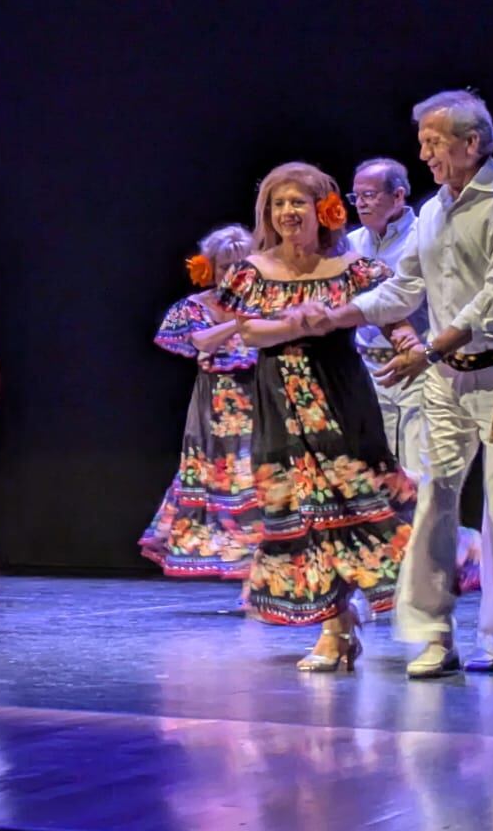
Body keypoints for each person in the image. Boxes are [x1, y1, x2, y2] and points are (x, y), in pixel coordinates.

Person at [323, 90, 493, 678]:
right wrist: (331, 313)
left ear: (470, 142)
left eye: (433, 142)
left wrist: (427, 350)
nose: (423, 153)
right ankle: (432, 634)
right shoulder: (433, 211)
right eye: (423, 141)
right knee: (432, 497)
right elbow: (402, 289)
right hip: (445, 380)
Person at [214, 165, 413, 670]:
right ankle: (336, 626)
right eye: (278, 204)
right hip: (279, 403)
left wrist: (411, 347)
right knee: (304, 513)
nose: (287, 213)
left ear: (323, 208)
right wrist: (299, 322)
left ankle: (445, 560)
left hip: (341, 398)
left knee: (355, 503)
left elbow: (392, 316)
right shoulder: (252, 271)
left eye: (298, 203)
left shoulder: (352, 266)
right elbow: (250, 334)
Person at [136, 225, 260, 582]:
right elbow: (202, 343)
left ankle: (258, 578)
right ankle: (237, 568)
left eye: (240, 267)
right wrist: (238, 322)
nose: (232, 276)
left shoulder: (264, 307)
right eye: (224, 267)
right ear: (212, 268)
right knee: (214, 485)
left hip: (257, 408)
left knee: (254, 487)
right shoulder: (196, 308)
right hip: (212, 412)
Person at [346, 158, 427, 472]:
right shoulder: (351, 243)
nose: (361, 204)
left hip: (416, 365)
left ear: (398, 195)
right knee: (373, 466)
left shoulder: (424, 235)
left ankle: (424, 524)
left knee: (418, 466)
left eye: (370, 195)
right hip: (367, 366)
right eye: (356, 197)